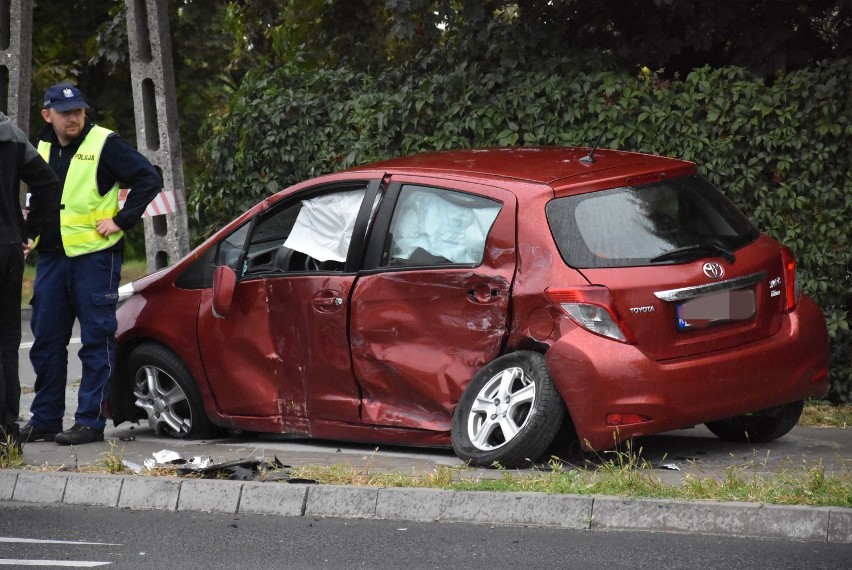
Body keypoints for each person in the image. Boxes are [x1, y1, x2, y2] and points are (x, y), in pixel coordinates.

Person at [20, 83, 160, 445]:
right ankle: (46, 419)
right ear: (47, 114)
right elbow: (40, 199)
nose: (74, 118)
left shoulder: (105, 143)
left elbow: (149, 178)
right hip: (51, 258)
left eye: (79, 111)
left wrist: (122, 219)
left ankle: (89, 422)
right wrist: (29, 235)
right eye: (66, 113)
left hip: (95, 259)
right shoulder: (43, 145)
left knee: (96, 342)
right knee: (47, 341)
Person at [0, 111, 60, 457]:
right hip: (8, 248)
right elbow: (48, 183)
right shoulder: (9, 130)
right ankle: (7, 437)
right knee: (7, 342)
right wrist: (29, 230)